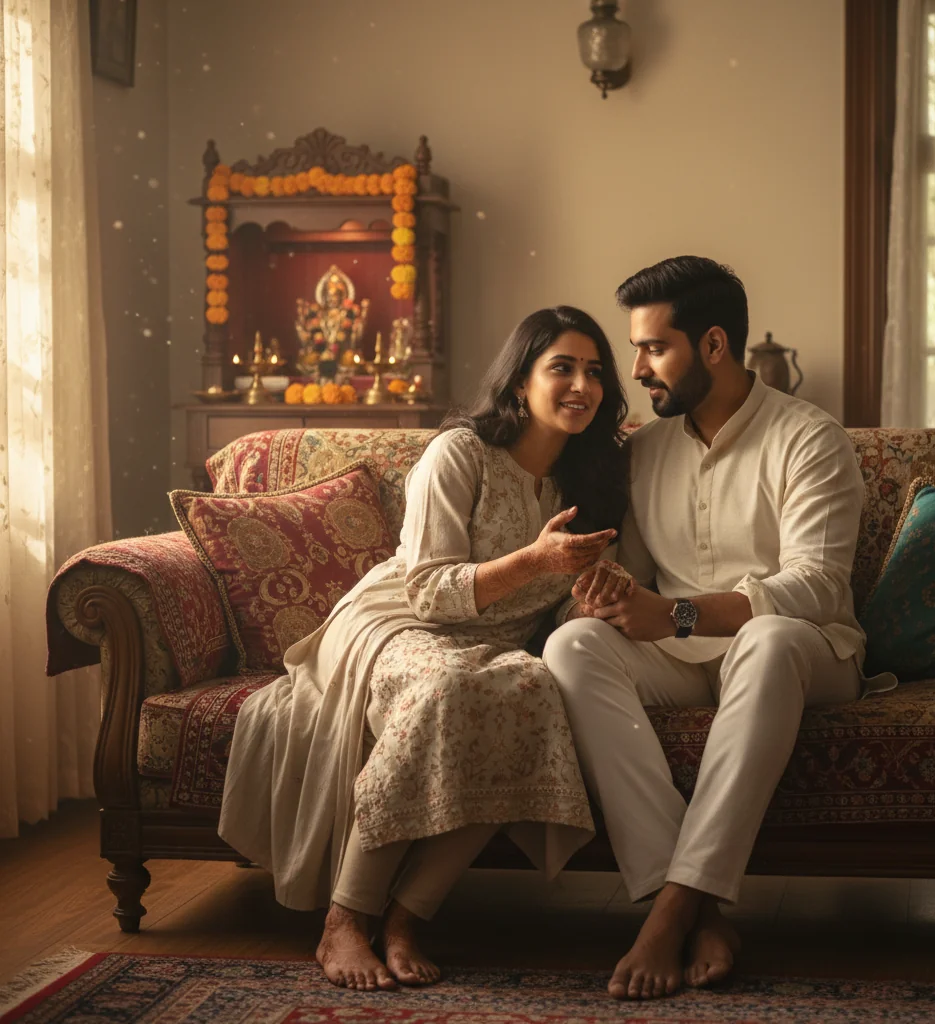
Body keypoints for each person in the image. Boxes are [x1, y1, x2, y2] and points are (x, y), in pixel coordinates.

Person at [219, 305, 630, 992]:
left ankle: (409, 915)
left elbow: (556, 599)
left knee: (531, 694)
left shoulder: (591, 478)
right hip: (400, 621)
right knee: (450, 691)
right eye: (561, 367)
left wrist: (586, 596)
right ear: (520, 378)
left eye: (595, 372)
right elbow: (432, 589)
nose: (580, 386)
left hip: (495, 641)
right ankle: (345, 918)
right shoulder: (459, 452)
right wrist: (535, 562)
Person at [543, 256, 894, 1001]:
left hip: (806, 652)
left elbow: (819, 587)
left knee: (767, 642)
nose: (636, 368)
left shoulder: (809, 437)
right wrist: (603, 596)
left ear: (712, 346)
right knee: (571, 646)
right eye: (635, 349)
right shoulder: (641, 451)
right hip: (681, 654)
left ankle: (670, 909)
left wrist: (674, 613)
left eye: (653, 348)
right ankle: (696, 908)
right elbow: (632, 580)